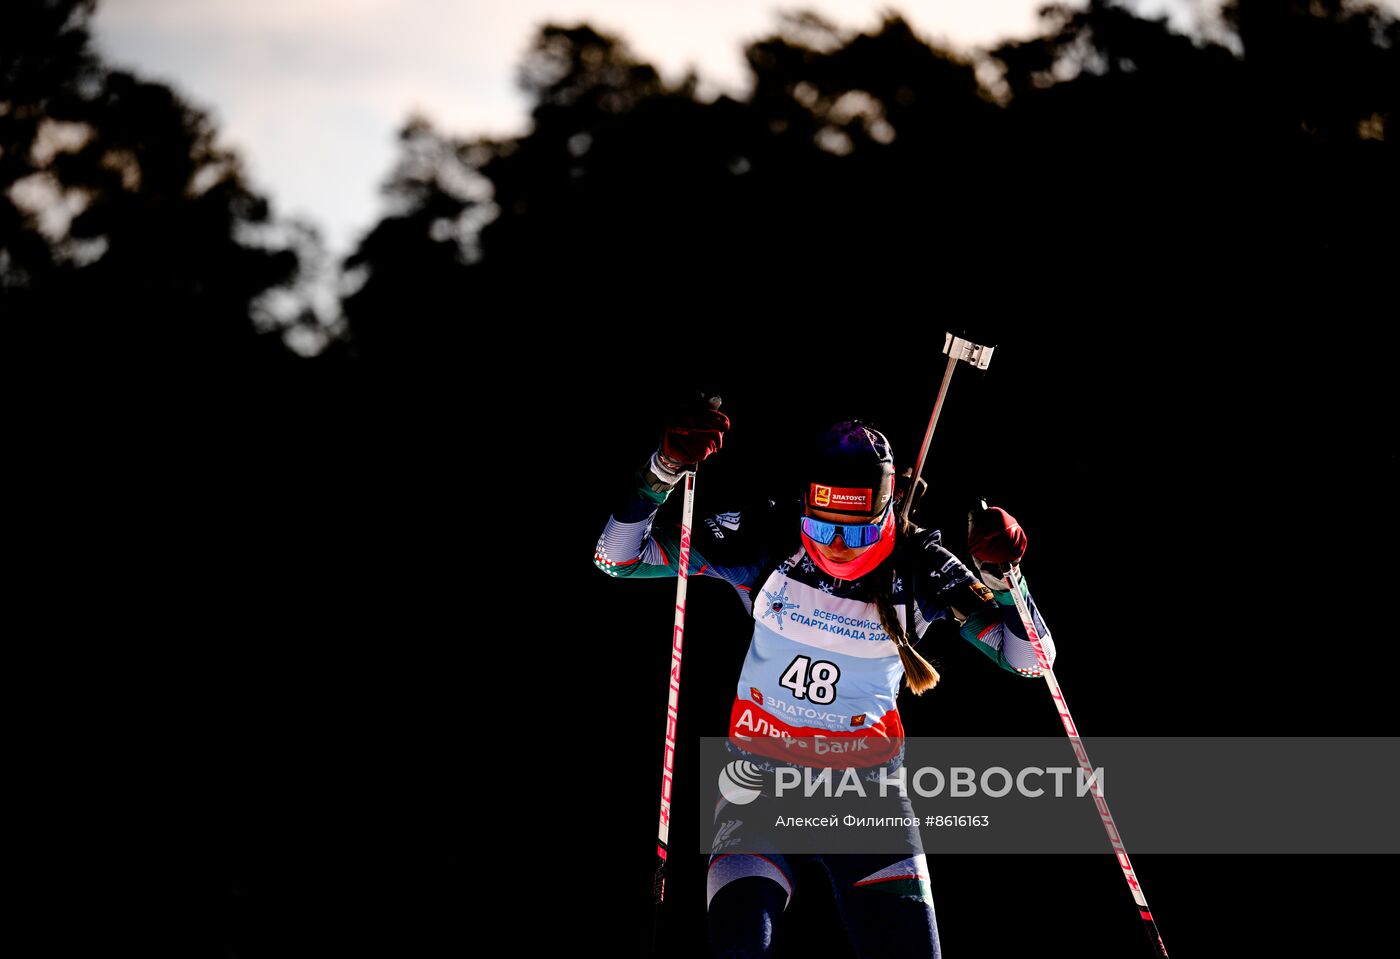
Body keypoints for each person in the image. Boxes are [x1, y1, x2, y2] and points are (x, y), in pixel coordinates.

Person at [594, 403, 1056, 958]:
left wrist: (1005, 580)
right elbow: (616, 560)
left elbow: (1030, 661)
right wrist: (662, 471)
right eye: (820, 526)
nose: (836, 546)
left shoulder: (920, 564)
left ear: (886, 512)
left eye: (856, 531)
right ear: (804, 506)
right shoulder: (768, 536)